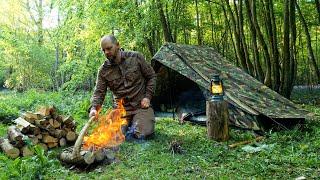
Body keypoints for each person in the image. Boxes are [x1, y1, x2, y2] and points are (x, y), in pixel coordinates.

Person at [89, 35, 156, 139]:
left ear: (118, 45)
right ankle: (125, 126)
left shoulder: (136, 58)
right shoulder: (103, 71)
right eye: (103, 50)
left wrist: (147, 97)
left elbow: (151, 76)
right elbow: (99, 92)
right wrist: (94, 108)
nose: (106, 52)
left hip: (141, 108)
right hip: (120, 111)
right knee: (112, 135)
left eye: (109, 48)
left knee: (140, 133)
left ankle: (138, 124)